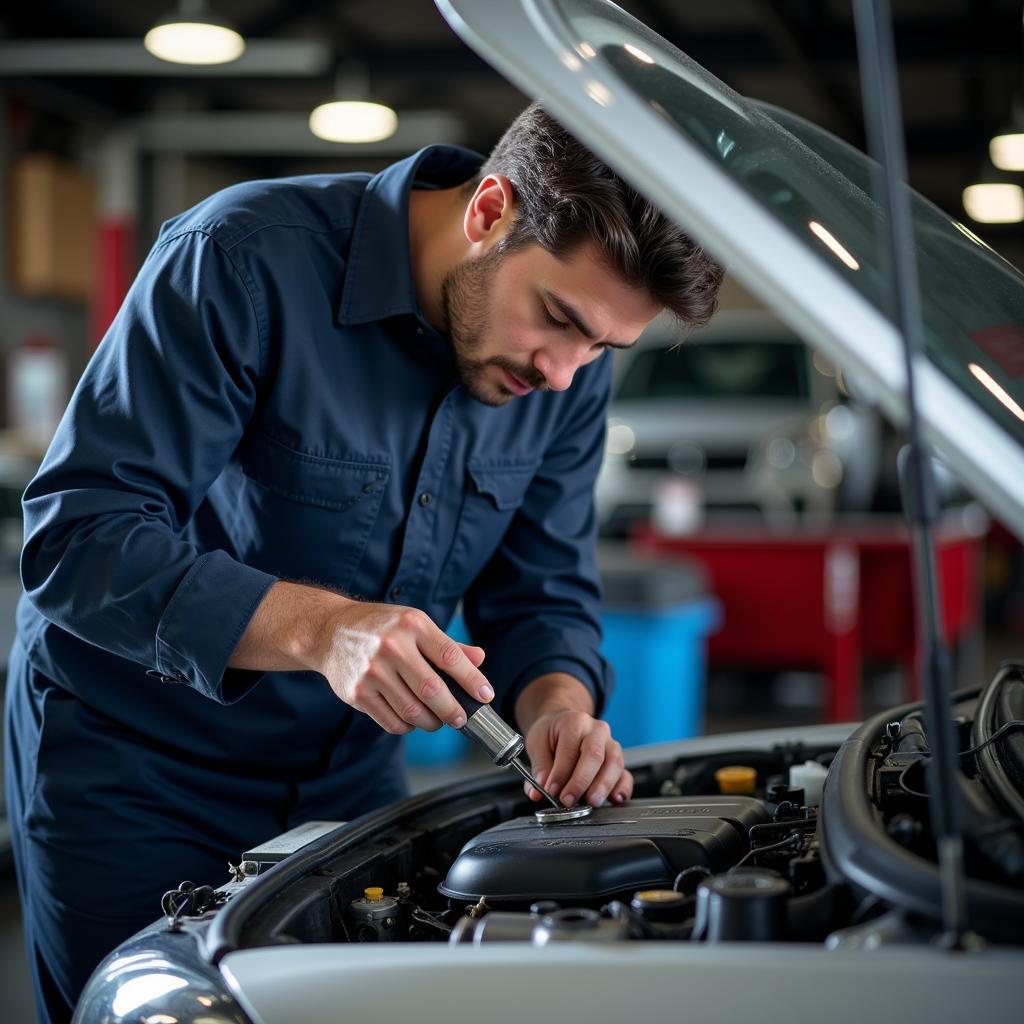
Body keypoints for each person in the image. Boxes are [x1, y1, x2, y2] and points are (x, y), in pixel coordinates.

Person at [4, 102, 722, 1023]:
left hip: (348, 778)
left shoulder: (564, 376)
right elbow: (78, 538)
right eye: (557, 319)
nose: (563, 374)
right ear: (490, 208)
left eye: (602, 348)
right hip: (138, 770)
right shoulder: (240, 259)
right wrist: (325, 631)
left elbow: (542, 585)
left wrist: (559, 710)